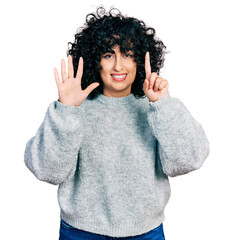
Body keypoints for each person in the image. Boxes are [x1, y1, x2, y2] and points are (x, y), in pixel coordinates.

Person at [24, 6, 210, 240]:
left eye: (128, 54)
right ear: (95, 60)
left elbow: (188, 160)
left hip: (145, 232)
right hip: (81, 232)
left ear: (141, 59)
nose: (118, 66)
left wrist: (163, 105)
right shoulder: (73, 108)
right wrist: (66, 110)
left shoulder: (156, 107)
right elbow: (47, 171)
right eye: (108, 55)